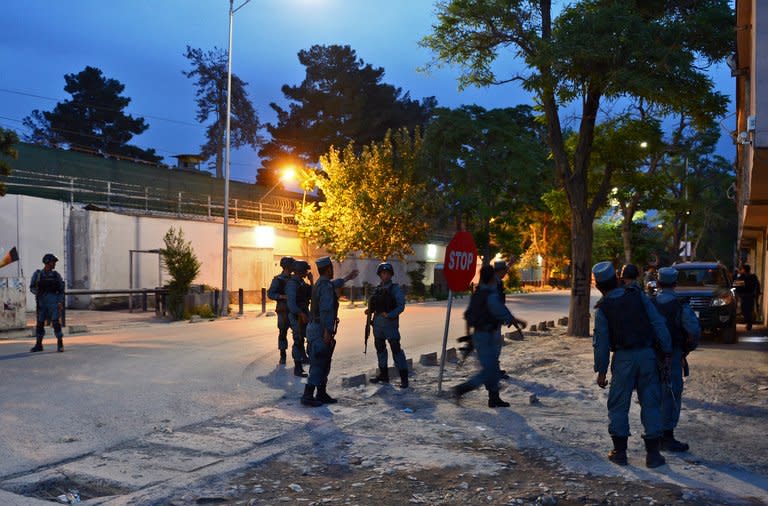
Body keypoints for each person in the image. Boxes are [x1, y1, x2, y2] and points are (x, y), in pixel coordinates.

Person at [592, 261, 672, 468]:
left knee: (618, 405)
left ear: (598, 286)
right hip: (648, 356)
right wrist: (667, 351)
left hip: (623, 359)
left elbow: (600, 343)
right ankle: (653, 455)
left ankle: (619, 452)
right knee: (651, 403)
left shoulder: (603, 309)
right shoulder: (638, 296)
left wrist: (601, 371)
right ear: (616, 279)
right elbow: (658, 323)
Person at [452, 264, 517, 408]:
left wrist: (469, 336)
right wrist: (516, 320)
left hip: (479, 335)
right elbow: (502, 312)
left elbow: (468, 316)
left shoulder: (478, 293)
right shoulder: (490, 295)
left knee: (492, 368)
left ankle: (494, 398)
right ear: (491, 278)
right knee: (489, 371)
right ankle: (461, 389)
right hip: (488, 336)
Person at [652, 267, 701, 452]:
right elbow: (694, 331)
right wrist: (686, 349)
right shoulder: (681, 306)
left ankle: (653, 435)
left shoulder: (650, 303)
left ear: (658, 283)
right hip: (672, 355)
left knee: (652, 394)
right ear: (675, 284)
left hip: (652, 355)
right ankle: (667, 437)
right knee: (672, 394)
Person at [301, 257, 358, 407]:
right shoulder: (325, 287)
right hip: (321, 329)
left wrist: (348, 277)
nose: (333, 270)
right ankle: (308, 395)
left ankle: (321, 393)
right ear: (328, 270)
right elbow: (326, 310)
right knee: (319, 362)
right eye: (332, 268)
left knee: (324, 361)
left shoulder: (321, 284)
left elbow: (335, 284)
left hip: (316, 327)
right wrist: (327, 331)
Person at [367, 262, 409, 388]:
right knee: (380, 350)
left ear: (391, 275)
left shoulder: (395, 289)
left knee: (396, 350)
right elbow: (374, 304)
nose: (385, 275)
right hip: (378, 326)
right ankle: (384, 375)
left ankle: (404, 378)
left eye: (387, 273)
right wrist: (369, 310)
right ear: (380, 275)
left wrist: (390, 314)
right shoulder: (377, 289)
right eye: (383, 273)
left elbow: (401, 306)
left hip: (390, 325)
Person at [29, 253, 66, 352]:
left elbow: (61, 290)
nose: (54, 264)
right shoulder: (38, 274)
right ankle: (39, 344)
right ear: (47, 263)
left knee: (55, 323)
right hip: (42, 303)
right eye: (52, 262)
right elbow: (32, 287)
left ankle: (60, 343)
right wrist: (38, 292)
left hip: (53, 302)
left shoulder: (56, 275)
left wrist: (60, 302)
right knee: (40, 324)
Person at [286, 260, 313, 378]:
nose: (306, 272)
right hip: (296, 315)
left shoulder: (301, 282)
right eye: (305, 270)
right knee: (298, 339)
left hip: (304, 313)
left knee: (308, 336)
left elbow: (313, 293)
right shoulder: (292, 284)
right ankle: (297, 367)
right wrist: (300, 313)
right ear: (300, 271)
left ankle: (304, 358)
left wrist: (311, 281)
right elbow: (291, 304)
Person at [267, 256, 294, 365]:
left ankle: (300, 355)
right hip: (283, 310)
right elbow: (270, 293)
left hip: (294, 309)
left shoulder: (294, 279)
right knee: (283, 332)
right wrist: (282, 296)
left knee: (298, 333)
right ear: (287, 266)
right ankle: (283, 355)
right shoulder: (278, 279)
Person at [734, 264, 760, 331]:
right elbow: (757, 287)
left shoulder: (743, 277)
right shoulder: (753, 277)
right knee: (748, 310)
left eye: (742, 269)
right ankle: (749, 323)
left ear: (744, 270)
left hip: (746, 296)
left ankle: (749, 323)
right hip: (749, 296)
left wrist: (738, 294)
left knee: (746, 310)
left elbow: (737, 287)